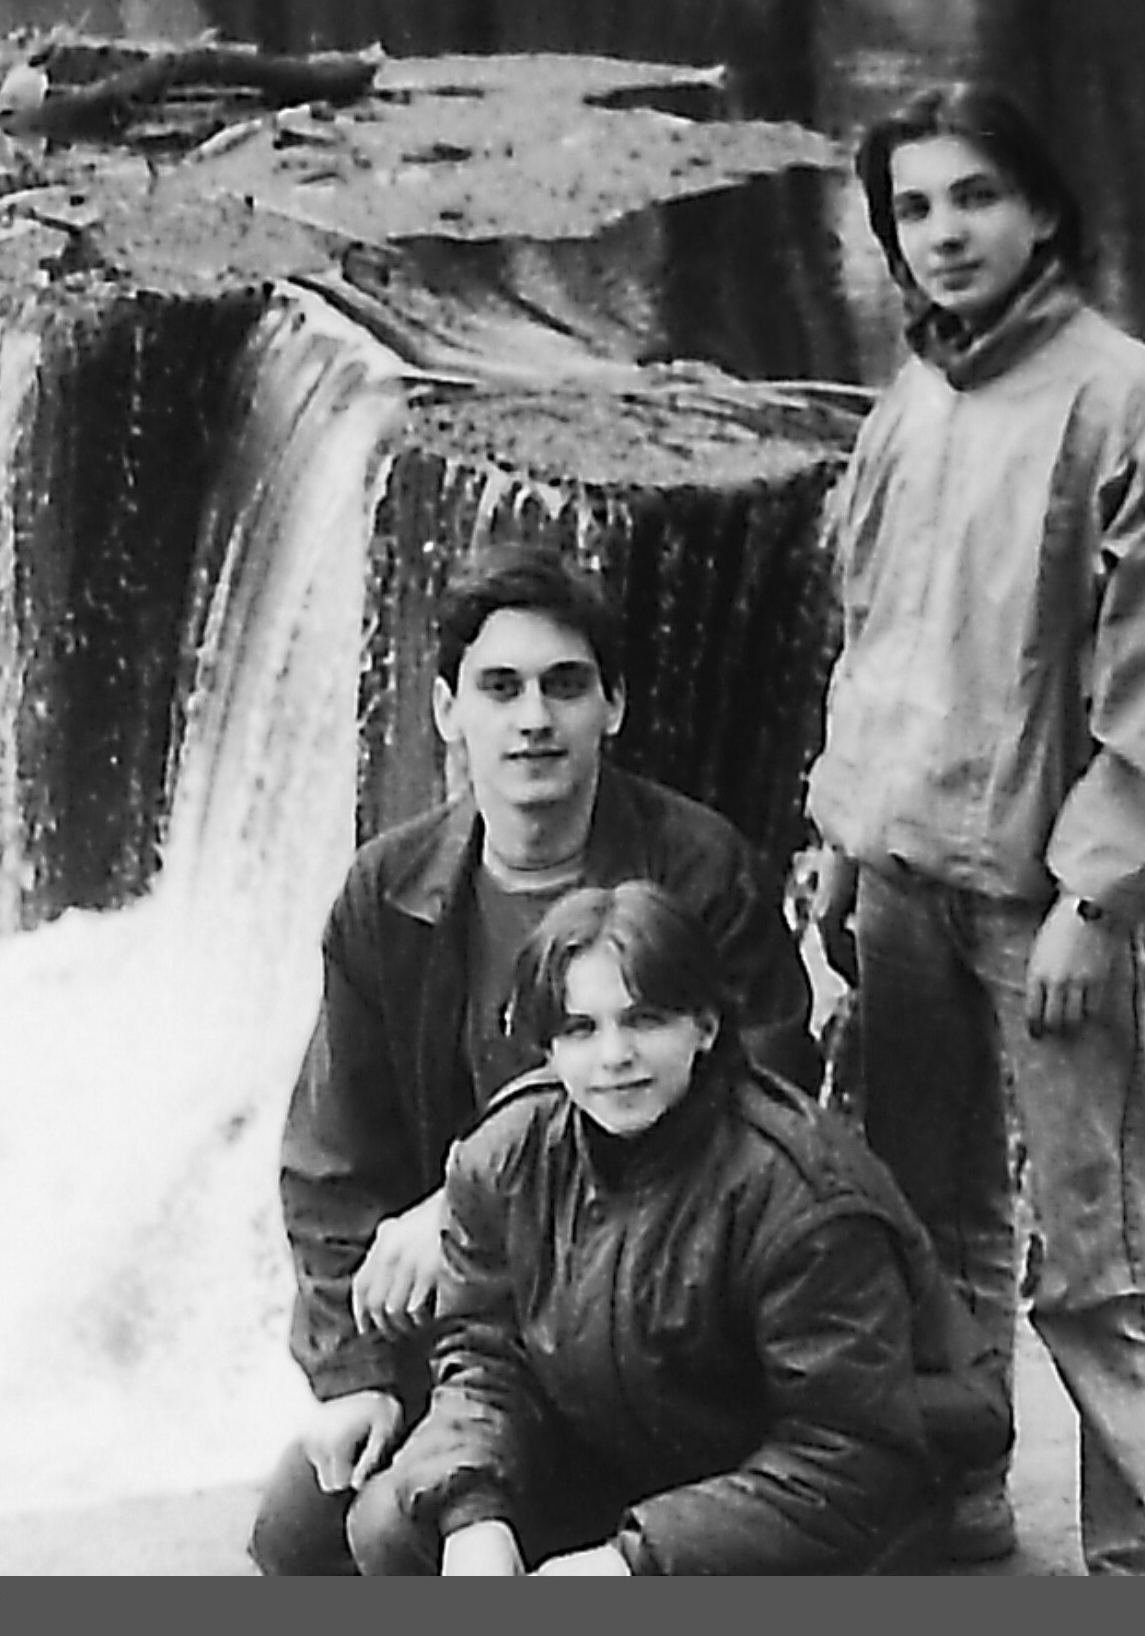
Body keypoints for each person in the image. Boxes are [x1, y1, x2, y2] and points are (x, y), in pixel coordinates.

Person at [798, 80, 1145, 1576]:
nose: (943, 234)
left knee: (1097, 1244)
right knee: (928, 1222)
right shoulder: (913, 403)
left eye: (974, 197)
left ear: (1043, 208)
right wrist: (839, 835)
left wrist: (1097, 898)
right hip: (904, 876)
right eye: (913, 209)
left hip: (1041, 900)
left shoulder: (1124, 400)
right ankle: (961, 1491)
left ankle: (1136, 1556)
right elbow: (875, 640)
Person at [249, 544, 814, 1576]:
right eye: (499, 687)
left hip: (668, 1336)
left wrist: (462, 1199)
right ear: (444, 708)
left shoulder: (704, 876)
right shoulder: (390, 891)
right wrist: (359, 1369)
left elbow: (764, 1100)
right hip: (481, 1335)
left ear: (617, 706)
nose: (533, 718)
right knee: (298, 1524)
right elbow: (332, 1158)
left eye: (566, 684)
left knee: (399, 1528)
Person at [351, 881, 1011, 1576]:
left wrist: (632, 1561)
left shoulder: (801, 1197)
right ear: (547, 1045)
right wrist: (473, 1513)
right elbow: (482, 1356)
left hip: (825, 1499)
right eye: (581, 1029)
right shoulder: (508, 1153)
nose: (614, 1057)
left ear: (706, 1026)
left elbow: (848, 1455)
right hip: (635, 1459)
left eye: (646, 1020)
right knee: (397, 1522)